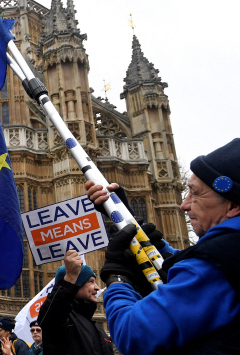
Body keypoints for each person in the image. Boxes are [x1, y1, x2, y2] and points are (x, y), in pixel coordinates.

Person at [87, 138, 240, 354]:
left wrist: (116, 277)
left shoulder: (216, 265)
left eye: (195, 193)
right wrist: (134, 225)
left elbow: (133, 335)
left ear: (233, 205)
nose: (184, 204)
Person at [37, 251, 114, 355]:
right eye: (91, 282)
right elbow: (51, 315)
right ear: (76, 285)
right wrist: (71, 277)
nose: (97, 287)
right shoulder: (63, 321)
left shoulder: (96, 326)